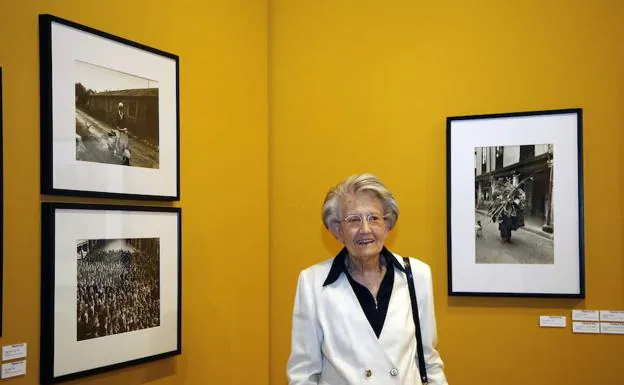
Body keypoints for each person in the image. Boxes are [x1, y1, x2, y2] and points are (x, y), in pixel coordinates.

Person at [287, 173, 448, 385]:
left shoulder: (417, 275)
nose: (365, 229)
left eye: (374, 218)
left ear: (387, 224)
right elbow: (303, 373)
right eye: (354, 220)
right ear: (337, 230)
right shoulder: (312, 283)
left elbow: (428, 360)